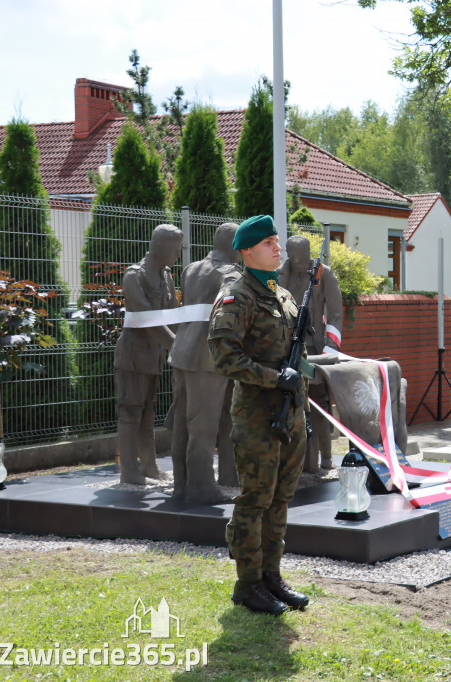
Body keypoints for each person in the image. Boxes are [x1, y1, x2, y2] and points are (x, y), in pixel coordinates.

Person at [208, 215, 311, 615]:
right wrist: (273, 378)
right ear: (247, 250)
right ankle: (248, 583)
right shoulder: (238, 296)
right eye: (268, 242)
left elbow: (294, 354)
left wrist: (301, 377)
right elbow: (225, 358)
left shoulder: (282, 296)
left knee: (281, 499)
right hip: (256, 417)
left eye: (277, 240)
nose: (277, 246)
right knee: (256, 499)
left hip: (290, 415)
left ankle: (272, 576)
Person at [169, 222, 241, 503]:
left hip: (182, 352)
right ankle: (200, 489)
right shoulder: (229, 273)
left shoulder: (191, 269)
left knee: (184, 423)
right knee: (203, 425)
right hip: (208, 358)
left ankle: (182, 484)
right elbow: (229, 314)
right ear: (235, 247)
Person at [114, 224, 182, 484]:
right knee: (130, 412)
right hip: (133, 355)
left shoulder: (166, 276)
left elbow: (173, 316)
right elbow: (145, 317)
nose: (177, 255)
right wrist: (176, 345)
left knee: (147, 412)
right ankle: (129, 471)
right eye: (175, 250)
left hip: (153, 357)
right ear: (159, 246)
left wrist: (188, 341)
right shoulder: (134, 275)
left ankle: (150, 467)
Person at [278, 235, 344, 471]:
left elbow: (336, 312)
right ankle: (297, 462)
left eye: (302, 259)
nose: (299, 265)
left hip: (315, 350)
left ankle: (325, 457)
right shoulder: (278, 275)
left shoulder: (322, 274)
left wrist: (330, 348)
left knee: (319, 405)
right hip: (286, 349)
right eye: (294, 260)